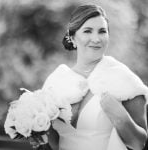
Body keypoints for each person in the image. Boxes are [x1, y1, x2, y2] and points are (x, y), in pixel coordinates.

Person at [30, 4, 148, 150]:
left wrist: (120, 117)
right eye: (87, 31)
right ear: (72, 37)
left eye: (102, 31)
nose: (96, 39)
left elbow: (140, 143)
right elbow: (50, 144)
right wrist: (35, 132)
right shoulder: (56, 81)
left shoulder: (123, 79)